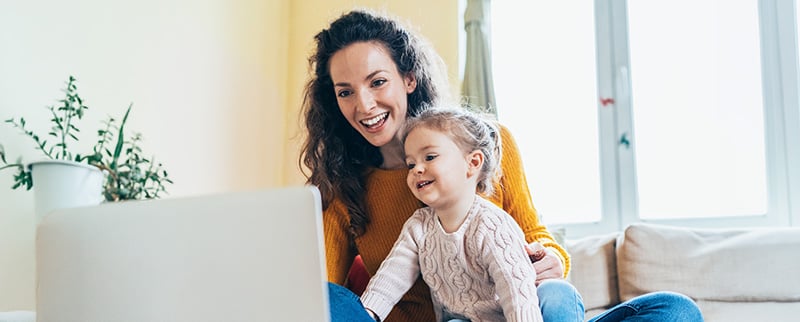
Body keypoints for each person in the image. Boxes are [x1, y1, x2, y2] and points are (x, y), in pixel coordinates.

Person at [300, 8, 703, 322]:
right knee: (325, 297)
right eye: (345, 92)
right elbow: (319, 294)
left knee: (674, 310)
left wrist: (550, 258)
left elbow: (535, 235)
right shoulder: (344, 185)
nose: (364, 105)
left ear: (408, 78)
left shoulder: (489, 143)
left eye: (377, 82)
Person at [359, 107, 543, 322]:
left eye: (429, 157)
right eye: (411, 164)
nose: (417, 169)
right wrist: (363, 314)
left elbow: (516, 292)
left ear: (472, 163)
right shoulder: (419, 226)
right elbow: (391, 277)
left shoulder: (491, 224)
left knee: (557, 292)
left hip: (506, 318)